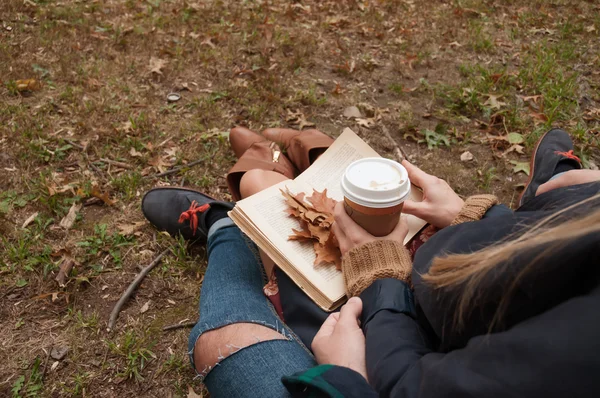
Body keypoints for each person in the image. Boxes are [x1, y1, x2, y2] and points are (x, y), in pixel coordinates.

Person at [142, 127, 600, 397]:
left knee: (222, 341)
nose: (575, 182)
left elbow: (413, 387)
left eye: (578, 190)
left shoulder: (578, 351)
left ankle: (227, 224)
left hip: (394, 367)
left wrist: (350, 374)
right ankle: (290, 167)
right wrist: (483, 219)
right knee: (288, 207)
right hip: (437, 326)